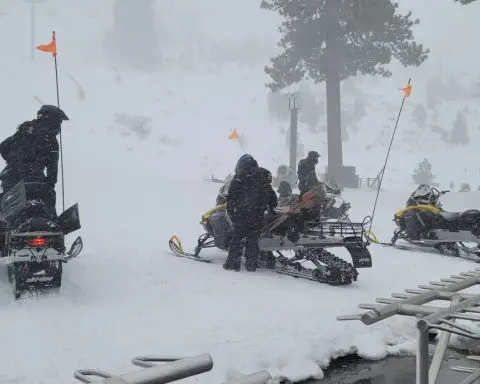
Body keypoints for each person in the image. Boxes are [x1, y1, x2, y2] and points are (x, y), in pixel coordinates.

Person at [0, 105, 69, 205]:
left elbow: (3, 147)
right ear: (52, 120)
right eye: (59, 122)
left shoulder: (25, 129)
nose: (59, 125)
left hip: (10, 180)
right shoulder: (51, 141)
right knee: (44, 209)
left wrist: (13, 162)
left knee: (7, 212)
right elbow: (52, 172)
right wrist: (48, 185)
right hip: (34, 183)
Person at [224, 154, 269, 272]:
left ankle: (233, 264)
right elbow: (266, 195)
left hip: (242, 214)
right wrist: (261, 209)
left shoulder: (239, 178)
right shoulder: (261, 177)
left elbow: (231, 198)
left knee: (237, 239)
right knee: (253, 240)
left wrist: (232, 213)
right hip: (257, 215)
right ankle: (251, 264)